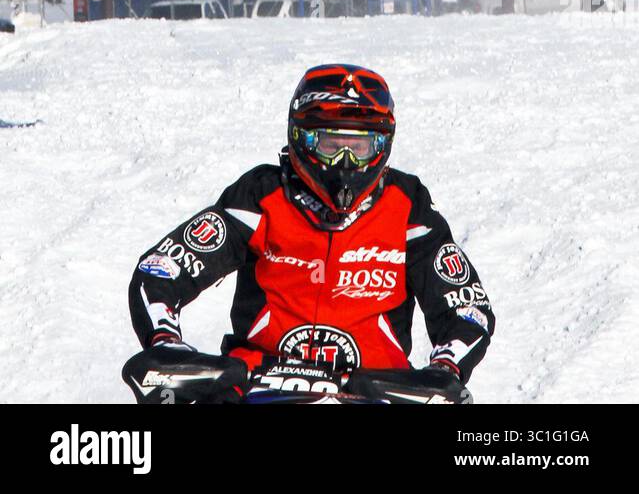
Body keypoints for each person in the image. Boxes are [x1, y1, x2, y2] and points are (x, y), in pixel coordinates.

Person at [129, 64, 494, 390]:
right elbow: (161, 269)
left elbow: (466, 308)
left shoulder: (407, 207)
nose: (346, 161)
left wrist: (445, 368)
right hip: (256, 387)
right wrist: (165, 342)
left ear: (383, 145)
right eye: (331, 144)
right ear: (301, 138)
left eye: (360, 146)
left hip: (378, 392)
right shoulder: (259, 197)